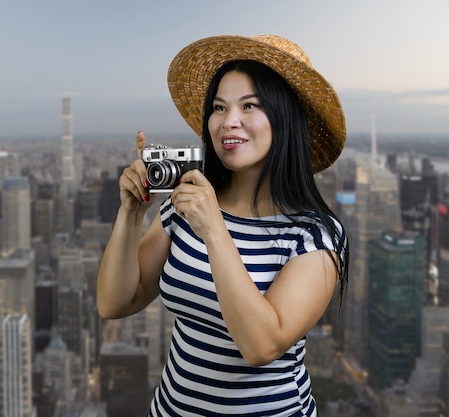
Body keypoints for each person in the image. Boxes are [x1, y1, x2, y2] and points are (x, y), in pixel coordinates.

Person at [97, 34, 349, 417]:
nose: (229, 121)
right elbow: (115, 303)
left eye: (250, 105)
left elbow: (261, 346)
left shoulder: (314, 234)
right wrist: (130, 214)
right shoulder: (186, 205)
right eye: (219, 107)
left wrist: (215, 228)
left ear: (284, 118)